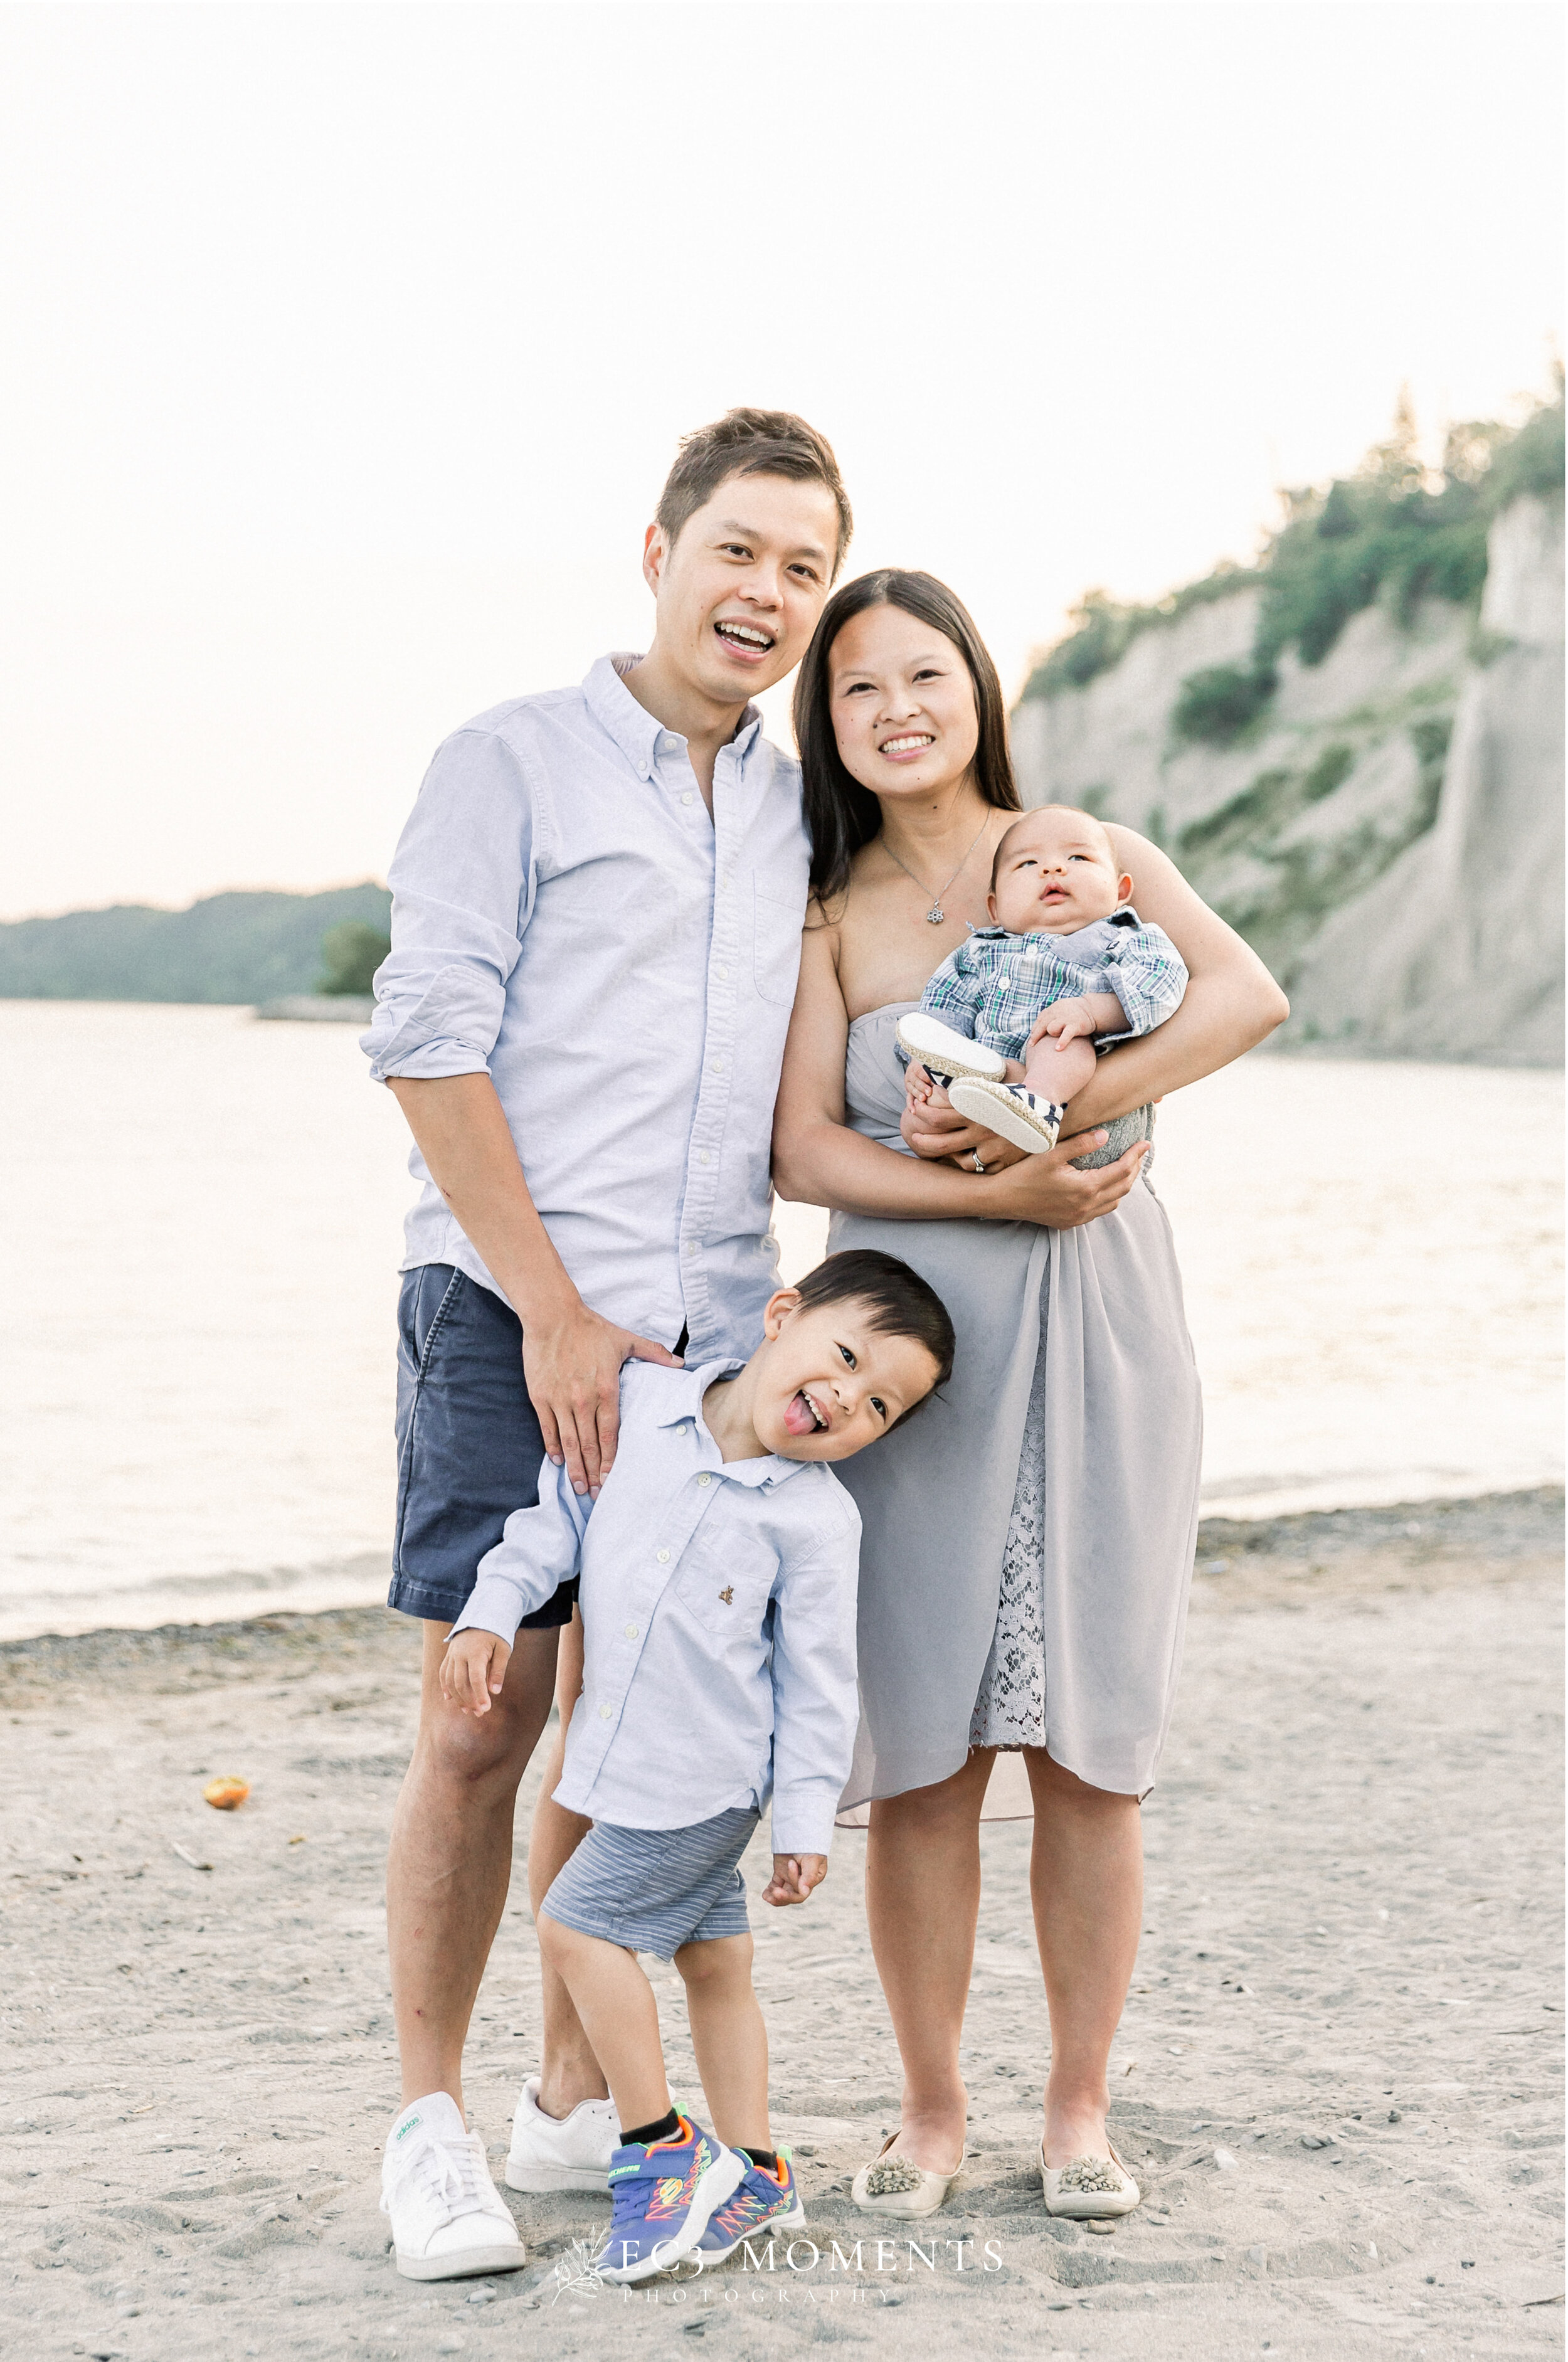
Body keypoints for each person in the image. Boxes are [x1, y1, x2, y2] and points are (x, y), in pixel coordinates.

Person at [361, 408, 852, 2280]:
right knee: (478, 1717)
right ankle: (427, 2123)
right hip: (505, 1309)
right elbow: (427, 1039)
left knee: (631, 1718)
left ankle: (574, 2099)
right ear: (654, 547)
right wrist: (555, 1312)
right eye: (739, 548)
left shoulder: (802, 803)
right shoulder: (511, 762)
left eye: (801, 567)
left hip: (715, 1335)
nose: (766, 593)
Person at [771, 567, 1288, 2222]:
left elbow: (1241, 996)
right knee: (920, 1752)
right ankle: (930, 2112)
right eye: (859, 689)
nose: (897, 707)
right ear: (828, 721)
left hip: (1105, 1327)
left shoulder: (1083, 852)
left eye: (925, 673)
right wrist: (993, 1187)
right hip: (913, 1351)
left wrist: (1064, 1107)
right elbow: (804, 1151)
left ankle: (1077, 2110)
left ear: (975, 687)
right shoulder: (824, 907)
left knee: (1090, 1747)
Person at [415, 1251, 953, 2284]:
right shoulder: (643, 1407)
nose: (845, 1395)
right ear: (782, 1314)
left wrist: (803, 1821)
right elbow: (550, 1524)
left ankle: (658, 2146)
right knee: (715, 1964)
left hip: (705, 1785)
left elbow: (819, 1682)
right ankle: (753, 2172)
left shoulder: (816, 1519)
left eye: (877, 1404)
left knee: (575, 1926)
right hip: (623, 1760)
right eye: (844, 1356)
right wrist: (487, 1615)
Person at [896, 803, 1187, 1154]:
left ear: (1120, 890)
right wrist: (926, 1059)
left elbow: (1164, 978)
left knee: (1057, 1036)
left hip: (1086, 1108)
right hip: (985, 1087)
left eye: (1078, 858)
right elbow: (945, 1005)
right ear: (995, 908)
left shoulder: (1121, 936)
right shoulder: (978, 952)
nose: (1053, 868)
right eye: (1027, 864)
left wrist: (1093, 1011)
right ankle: (967, 1149)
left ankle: (1037, 1102)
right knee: (917, 1118)